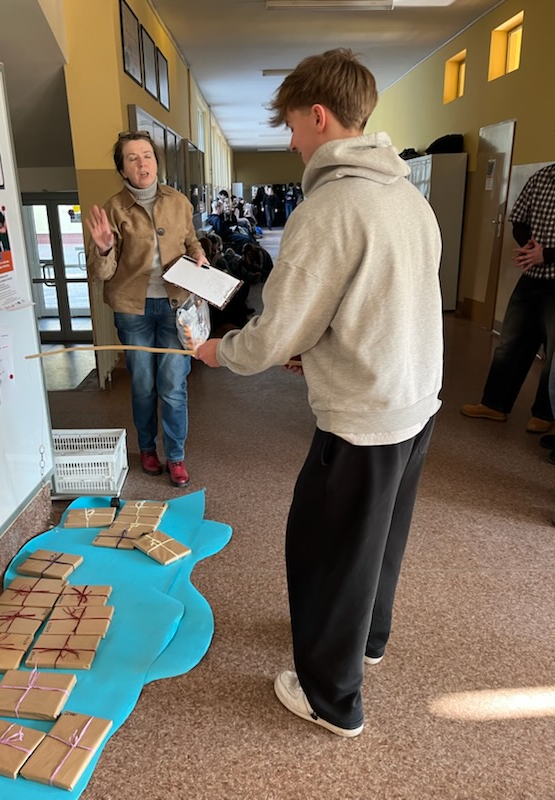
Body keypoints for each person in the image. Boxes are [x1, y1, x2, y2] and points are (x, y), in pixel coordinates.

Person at [196, 48, 443, 737]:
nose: (292, 142)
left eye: (292, 127)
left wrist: (221, 351)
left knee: (325, 550)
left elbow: (274, 331)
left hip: (364, 418)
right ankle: (367, 640)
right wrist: (323, 349)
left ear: (318, 115)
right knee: (378, 538)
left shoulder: (330, 206)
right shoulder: (409, 199)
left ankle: (332, 700)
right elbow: (387, 303)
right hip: (415, 401)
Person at [86, 130, 206, 487]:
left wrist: (199, 254)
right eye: (132, 158)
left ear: (156, 162)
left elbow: (190, 240)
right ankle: (148, 448)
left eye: (147, 156)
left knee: (173, 384)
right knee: (142, 384)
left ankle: (176, 456)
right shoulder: (113, 209)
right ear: (122, 169)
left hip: (175, 306)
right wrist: (104, 248)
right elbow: (101, 274)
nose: (142, 164)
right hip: (132, 309)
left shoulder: (178, 201)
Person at [460, 163, 555, 433]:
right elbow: (519, 220)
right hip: (532, 276)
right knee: (511, 342)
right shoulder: (542, 177)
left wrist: (546, 255)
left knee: (553, 353)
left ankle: (545, 414)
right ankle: (495, 405)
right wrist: (528, 246)